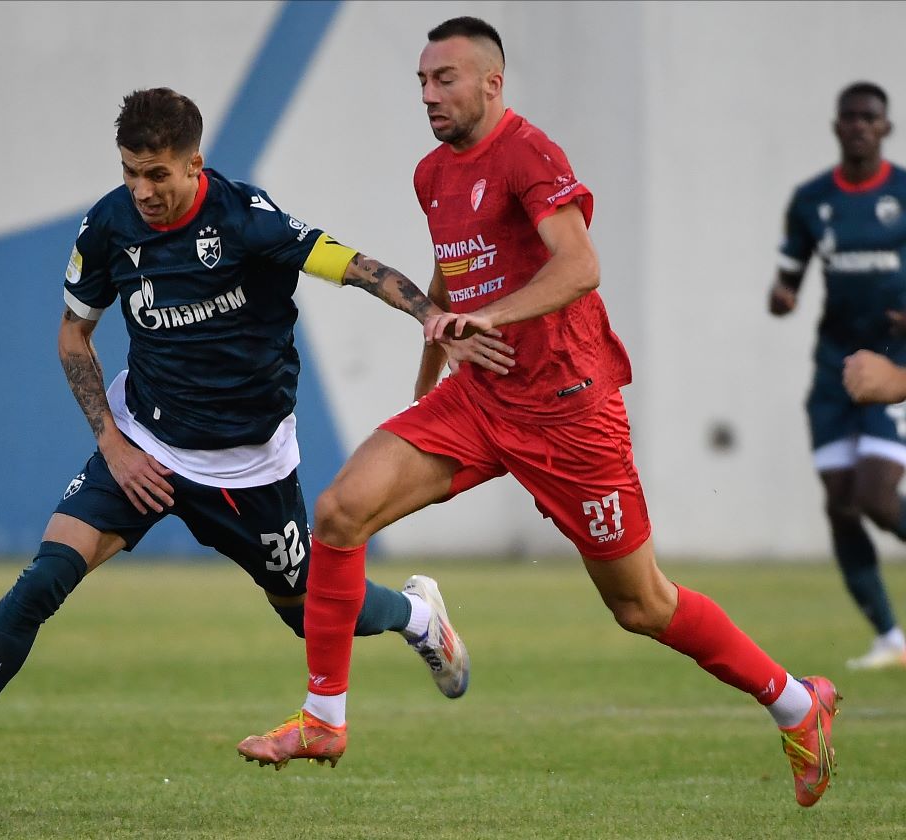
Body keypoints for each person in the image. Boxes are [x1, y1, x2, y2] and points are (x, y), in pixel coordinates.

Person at [238, 16, 839, 808]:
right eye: (421, 81)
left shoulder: (530, 153)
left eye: (444, 78)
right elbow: (452, 271)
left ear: (493, 81)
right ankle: (324, 719)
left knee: (642, 605)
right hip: (478, 399)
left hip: (568, 412)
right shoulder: (432, 174)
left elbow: (580, 266)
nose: (428, 94)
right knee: (342, 511)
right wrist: (430, 364)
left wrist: (492, 320)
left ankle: (796, 704)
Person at [0, 87, 516, 805]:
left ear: (194, 163)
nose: (142, 190)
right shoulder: (108, 227)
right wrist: (111, 443)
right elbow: (74, 333)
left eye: (158, 174)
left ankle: (419, 617)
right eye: (131, 172)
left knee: (308, 614)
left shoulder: (246, 219)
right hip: (145, 445)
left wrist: (429, 315)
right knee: (43, 580)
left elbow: (354, 266)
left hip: (250, 466)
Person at [768, 80, 906, 671]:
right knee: (841, 506)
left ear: (885, 128)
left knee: (876, 497)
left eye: (868, 117)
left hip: (892, 368)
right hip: (832, 372)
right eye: (848, 116)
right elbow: (788, 279)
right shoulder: (811, 199)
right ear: (836, 126)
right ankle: (890, 638)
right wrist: (782, 297)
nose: (857, 125)